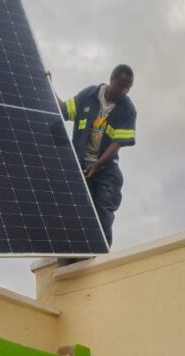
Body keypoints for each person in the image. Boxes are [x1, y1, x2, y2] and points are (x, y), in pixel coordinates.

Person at [54, 64, 137, 248]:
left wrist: (97, 165)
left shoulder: (127, 109)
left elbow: (117, 143)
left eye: (128, 87)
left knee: (103, 213)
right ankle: (75, 257)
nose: (124, 91)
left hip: (106, 170)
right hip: (81, 166)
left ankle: (100, 255)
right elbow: (65, 111)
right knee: (77, 214)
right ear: (111, 80)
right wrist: (47, 87)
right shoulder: (89, 95)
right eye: (121, 85)